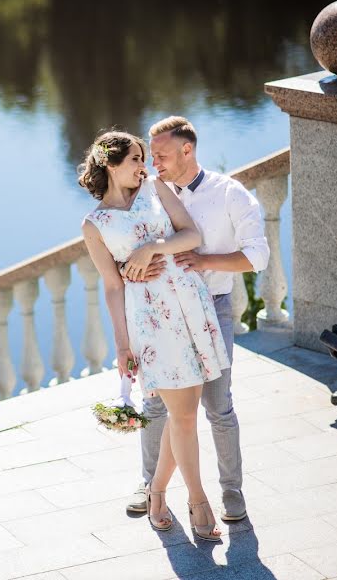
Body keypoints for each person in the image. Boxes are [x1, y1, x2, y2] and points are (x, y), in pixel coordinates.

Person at [80, 130, 229, 541]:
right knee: (181, 415)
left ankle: (157, 492)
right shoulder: (95, 225)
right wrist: (122, 345)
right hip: (150, 320)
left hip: (190, 306)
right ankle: (198, 500)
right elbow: (113, 286)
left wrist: (151, 250)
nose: (143, 166)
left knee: (183, 415)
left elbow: (191, 234)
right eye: (134, 159)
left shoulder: (156, 187)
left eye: (144, 158)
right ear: (110, 164)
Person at [124, 116, 269, 524]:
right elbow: (124, 245)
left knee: (218, 406)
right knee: (155, 405)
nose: (153, 163)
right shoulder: (147, 194)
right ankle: (150, 484)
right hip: (162, 316)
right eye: (150, 155)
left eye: (162, 155)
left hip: (214, 307)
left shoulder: (230, 194)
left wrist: (205, 261)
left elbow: (258, 256)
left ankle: (231, 493)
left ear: (187, 150)